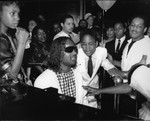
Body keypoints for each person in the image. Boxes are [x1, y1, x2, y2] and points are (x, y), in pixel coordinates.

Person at [83, 15, 150, 118]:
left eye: (139, 26)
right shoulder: (129, 43)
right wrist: (113, 62)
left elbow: (132, 76)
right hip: (127, 91)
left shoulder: (147, 46)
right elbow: (126, 69)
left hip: (141, 98)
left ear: (145, 29)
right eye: (132, 25)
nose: (134, 28)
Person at [77, 29, 126, 108]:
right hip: (78, 91)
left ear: (96, 44)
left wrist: (115, 74)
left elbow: (106, 64)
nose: (87, 48)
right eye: (84, 44)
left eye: (90, 44)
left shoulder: (102, 52)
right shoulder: (76, 55)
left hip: (92, 90)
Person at [34, 37, 84, 105]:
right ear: (57, 53)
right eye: (69, 49)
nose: (75, 52)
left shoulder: (78, 75)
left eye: (75, 49)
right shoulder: (43, 81)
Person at [0, 1, 29, 104]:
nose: (18, 18)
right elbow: (12, 74)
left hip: (12, 93)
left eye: (18, 13)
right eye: (12, 13)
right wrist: (21, 43)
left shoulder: (7, 35)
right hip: (5, 96)